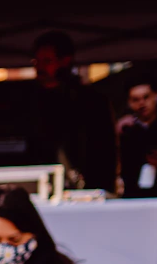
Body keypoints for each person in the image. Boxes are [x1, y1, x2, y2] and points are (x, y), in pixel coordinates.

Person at [29, 31, 115, 191]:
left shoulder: (90, 100)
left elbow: (104, 151)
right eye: (36, 61)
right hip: (40, 183)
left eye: (47, 61)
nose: (39, 67)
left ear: (65, 61)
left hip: (85, 187)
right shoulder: (29, 99)